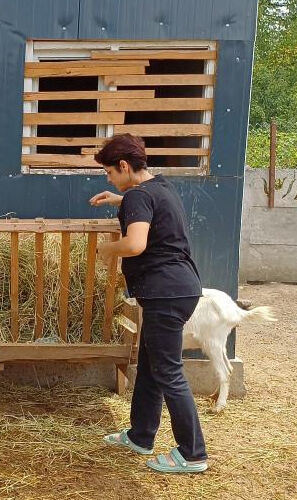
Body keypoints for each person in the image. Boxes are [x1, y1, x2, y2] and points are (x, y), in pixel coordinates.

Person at [89, 134, 208, 473]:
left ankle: (193, 453)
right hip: (179, 288)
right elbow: (147, 206)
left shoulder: (138, 198)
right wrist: (119, 199)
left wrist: (107, 250)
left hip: (165, 292)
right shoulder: (160, 188)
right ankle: (141, 435)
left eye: (110, 173)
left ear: (124, 166)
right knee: (152, 362)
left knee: (168, 371)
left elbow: (136, 244)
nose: (109, 179)